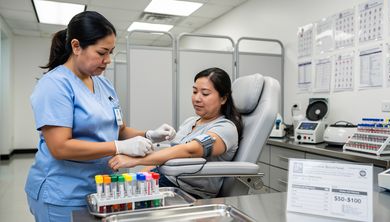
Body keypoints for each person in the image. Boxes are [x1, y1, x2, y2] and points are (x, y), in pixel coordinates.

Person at [25, 11, 175, 222]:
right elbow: (60, 147)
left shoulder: (103, 84)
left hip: (101, 190)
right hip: (63, 193)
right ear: (76, 47)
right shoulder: (55, 85)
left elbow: (119, 130)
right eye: (102, 52)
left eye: (111, 52)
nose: (108, 60)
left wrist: (149, 134)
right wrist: (118, 147)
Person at [108, 67, 243, 198]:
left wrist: (135, 160)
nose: (197, 98)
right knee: (115, 194)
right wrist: (139, 177)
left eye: (205, 93)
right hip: (164, 179)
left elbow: (189, 150)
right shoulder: (191, 122)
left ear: (223, 98)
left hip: (187, 191)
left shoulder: (225, 128)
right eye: (195, 92)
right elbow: (171, 152)